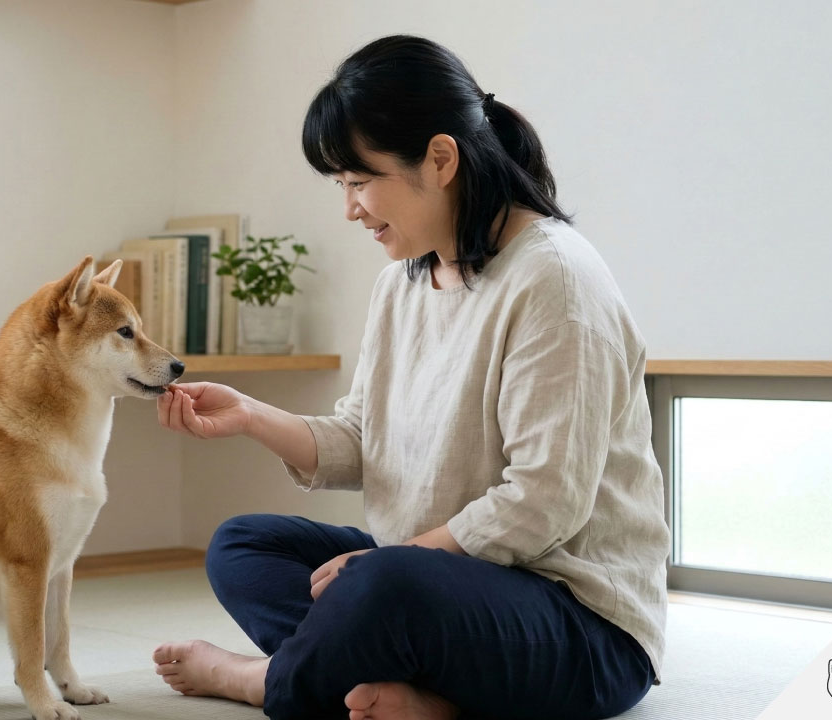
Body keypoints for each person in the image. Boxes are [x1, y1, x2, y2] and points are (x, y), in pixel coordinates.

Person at [149, 34, 669, 720]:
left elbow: (543, 502)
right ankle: (427, 695)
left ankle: (265, 679)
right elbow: (367, 440)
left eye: (360, 182)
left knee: (384, 586)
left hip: (579, 623)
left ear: (441, 158)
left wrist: (379, 571)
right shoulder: (404, 280)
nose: (350, 208)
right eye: (342, 186)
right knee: (244, 544)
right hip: (436, 579)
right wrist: (251, 416)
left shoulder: (555, 280)